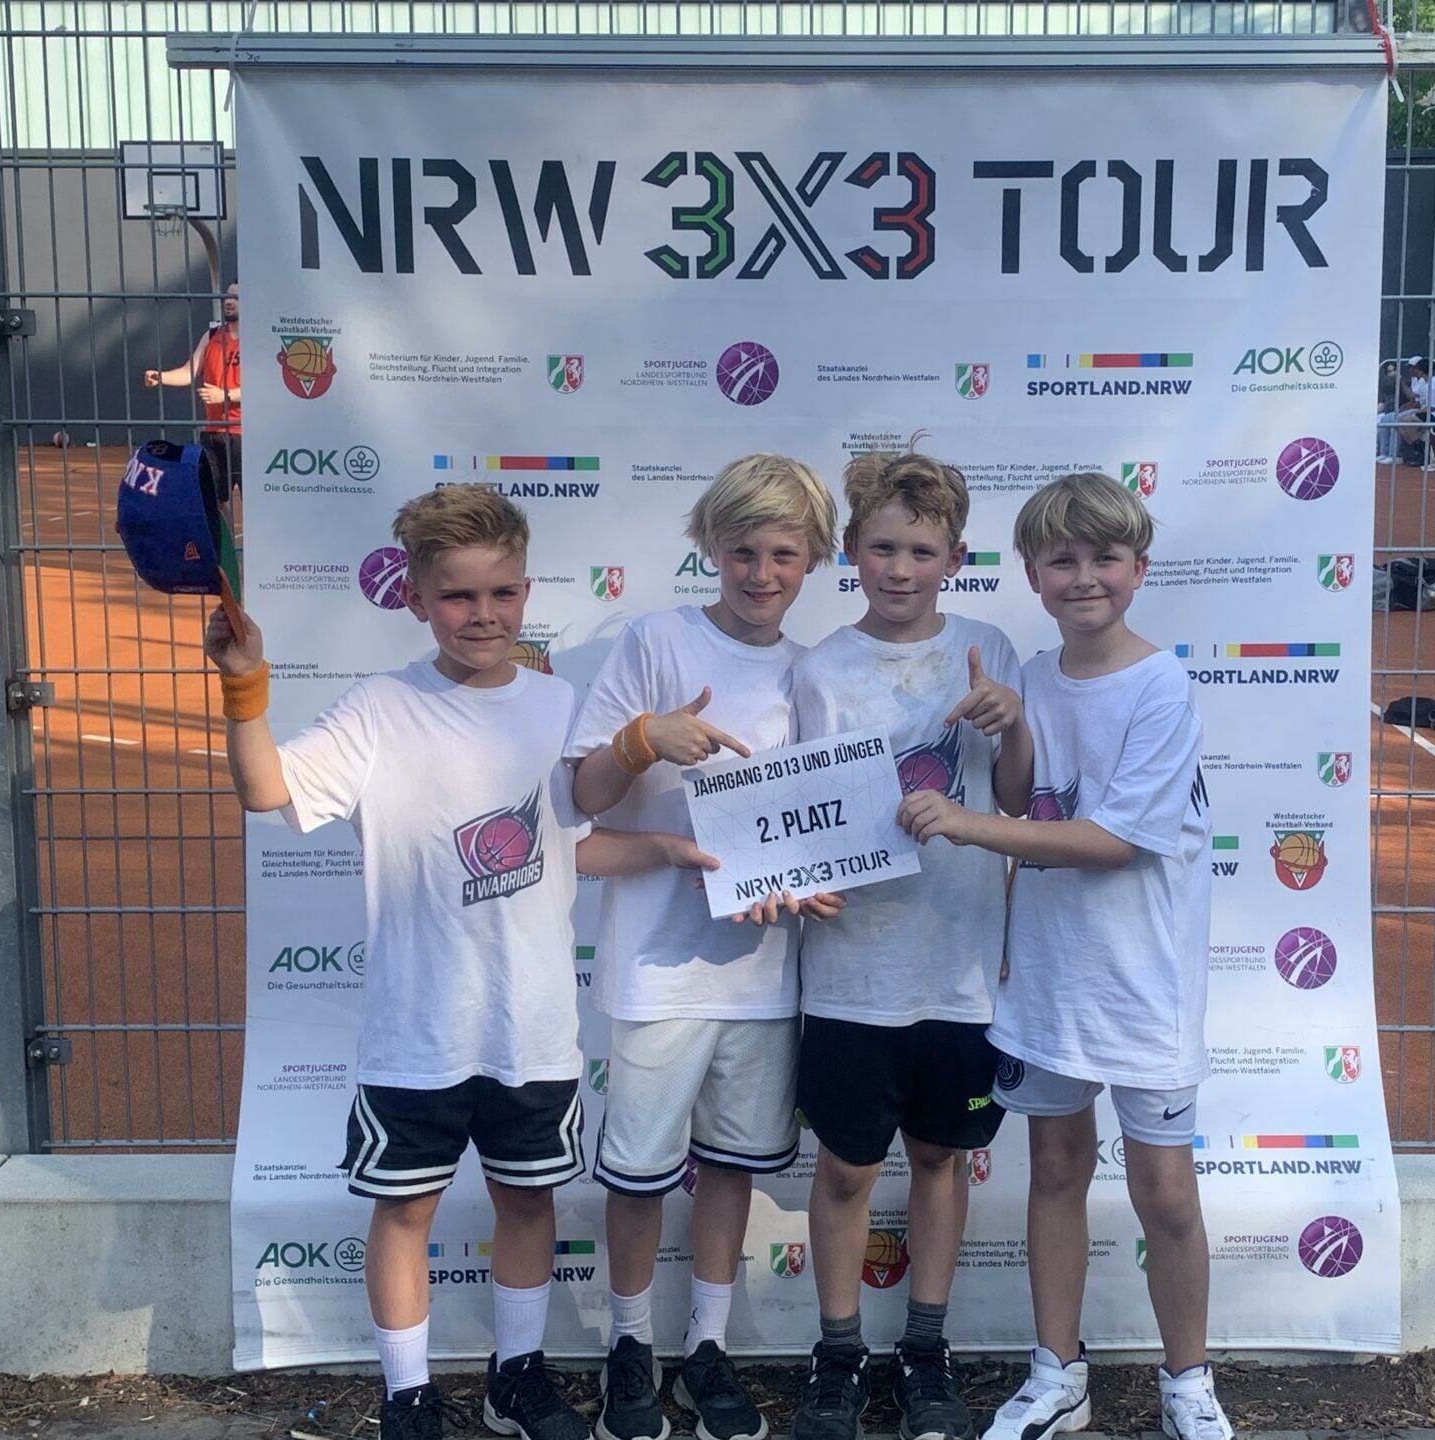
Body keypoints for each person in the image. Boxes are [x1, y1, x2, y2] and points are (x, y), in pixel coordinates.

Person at [203, 482, 684, 1440]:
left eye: (503, 593)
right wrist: (245, 687)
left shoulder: (558, 705)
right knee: (406, 1213)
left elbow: (572, 836)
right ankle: (408, 1395)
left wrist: (673, 846)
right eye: (459, 596)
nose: (484, 615)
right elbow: (264, 790)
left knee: (528, 1203)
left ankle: (517, 1378)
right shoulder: (380, 708)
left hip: (532, 1027)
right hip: (416, 1031)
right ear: (417, 598)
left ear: (526, 592)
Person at [895, 474, 1229, 1440]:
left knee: (1166, 1193)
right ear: (1033, 575)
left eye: (1104, 559)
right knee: (1054, 1170)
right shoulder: (1032, 677)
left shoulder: (1161, 686)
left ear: (1139, 569)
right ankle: (1058, 1372)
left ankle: (1188, 1381)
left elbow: (1112, 840)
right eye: (1062, 560)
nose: (1085, 577)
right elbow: (1021, 796)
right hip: (1046, 975)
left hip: (1145, 981)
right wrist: (1008, 729)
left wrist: (963, 824)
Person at [566, 454, 841, 1440]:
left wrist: (797, 883)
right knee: (638, 1174)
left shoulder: (816, 670)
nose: (762, 573)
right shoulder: (655, 642)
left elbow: (820, 821)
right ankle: (629, 1344)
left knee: (729, 1168)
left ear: (814, 560)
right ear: (710, 549)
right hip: (656, 969)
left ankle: (708, 1348)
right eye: (743, 551)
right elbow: (582, 798)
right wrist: (643, 740)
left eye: (784, 555)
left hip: (764, 976)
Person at [785, 450, 1032, 1440]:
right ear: (851, 550)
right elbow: (796, 816)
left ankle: (926, 1349)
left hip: (961, 968)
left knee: (939, 1159)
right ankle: (839, 1352)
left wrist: (1013, 726)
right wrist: (794, 877)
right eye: (882, 547)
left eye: (922, 552)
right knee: (846, 1171)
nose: (900, 569)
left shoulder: (989, 649)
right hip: (852, 970)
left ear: (956, 559)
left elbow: (1017, 801)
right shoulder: (819, 669)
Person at [145, 281, 241, 507]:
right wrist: (161, 377)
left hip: (247, 433)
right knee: (213, 502)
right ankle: (219, 533)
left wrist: (225, 395)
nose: (228, 301)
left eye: (236, 297)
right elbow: (189, 371)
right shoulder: (212, 335)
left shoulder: (260, 338)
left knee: (254, 500)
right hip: (213, 432)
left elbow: (264, 386)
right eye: (227, 296)